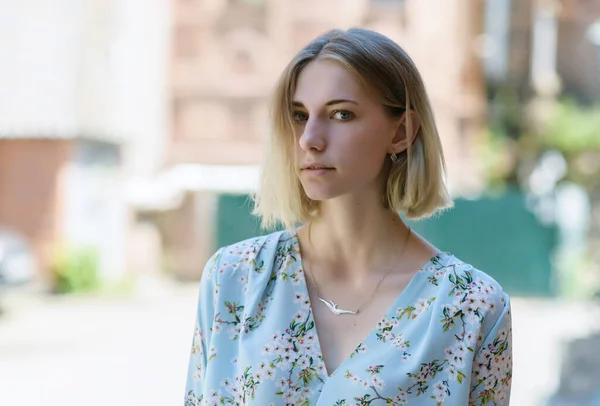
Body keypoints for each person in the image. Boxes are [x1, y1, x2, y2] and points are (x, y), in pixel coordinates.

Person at [185, 28, 512, 406]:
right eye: (298, 115)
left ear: (402, 132)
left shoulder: (470, 307)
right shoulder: (235, 279)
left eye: (341, 114)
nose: (310, 138)